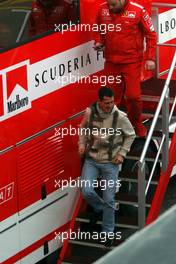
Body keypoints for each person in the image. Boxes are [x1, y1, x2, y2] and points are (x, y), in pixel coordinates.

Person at [78, 87, 135, 246]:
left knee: (109, 198)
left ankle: (107, 233)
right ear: (99, 102)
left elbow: (130, 135)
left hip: (111, 164)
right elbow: (82, 129)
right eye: (107, 103)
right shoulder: (90, 113)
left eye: (111, 102)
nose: (110, 105)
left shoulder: (120, 117)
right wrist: (81, 145)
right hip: (92, 160)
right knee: (86, 190)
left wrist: (122, 154)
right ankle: (102, 208)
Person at [94, 0, 157, 137]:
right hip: (111, 62)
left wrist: (150, 58)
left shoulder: (138, 11)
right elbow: (98, 28)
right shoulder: (102, 9)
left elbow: (151, 35)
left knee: (134, 97)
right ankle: (112, 127)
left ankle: (135, 123)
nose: (110, 7)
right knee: (110, 97)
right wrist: (99, 41)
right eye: (108, 4)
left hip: (131, 62)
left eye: (113, 5)